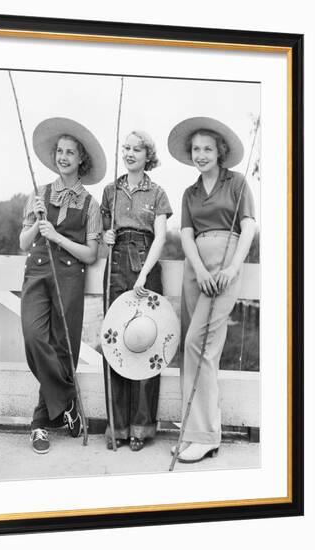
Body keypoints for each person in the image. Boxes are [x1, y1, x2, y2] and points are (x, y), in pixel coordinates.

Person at [167, 117, 256, 463]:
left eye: (207, 148)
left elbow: (247, 228)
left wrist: (232, 268)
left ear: (220, 152)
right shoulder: (189, 192)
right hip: (197, 269)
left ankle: (206, 435)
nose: (201, 154)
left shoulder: (237, 183)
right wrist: (200, 269)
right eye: (195, 149)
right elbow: (186, 235)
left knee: (197, 345)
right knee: (195, 350)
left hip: (224, 265)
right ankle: (194, 433)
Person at [19, 117, 105, 454]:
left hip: (70, 277)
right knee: (33, 337)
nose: (63, 157)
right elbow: (25, 242)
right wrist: (37, 221)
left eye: (70, 152)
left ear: (80, 159)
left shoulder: (91, 205)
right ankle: (69, 403)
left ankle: (40, 423)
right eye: (59, 151)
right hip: (37, 273)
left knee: (62, 348)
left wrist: (56, 235)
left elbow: (91, 252)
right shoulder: (39, 193)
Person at [101, 130, 172, 451]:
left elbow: (160, 237)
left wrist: (143, 273)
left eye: (136, 149)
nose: (129, 153)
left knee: (147, 340)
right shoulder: (109, 191)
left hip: (146, 262)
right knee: (115, 341)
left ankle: (140, 429)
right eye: (125, 148)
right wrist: (106, 237)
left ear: (148, 155)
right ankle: (116, 427)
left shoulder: (157, 192)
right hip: (115, 263)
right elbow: (102, 231)